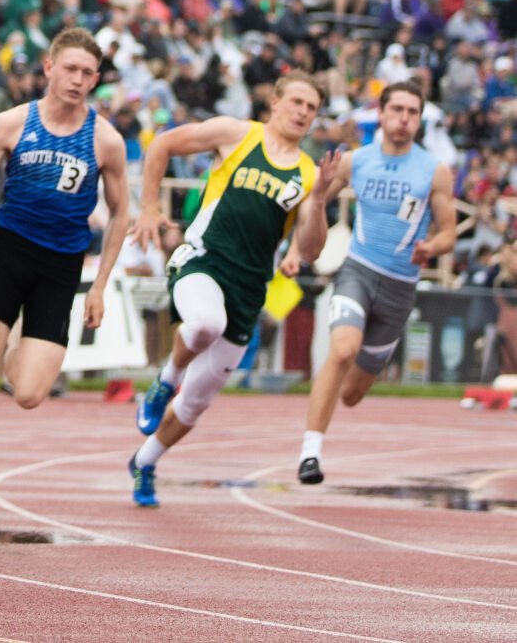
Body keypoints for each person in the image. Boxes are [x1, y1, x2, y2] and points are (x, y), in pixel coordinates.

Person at [0, 27, 129, 525]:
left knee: (28, 395)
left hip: (60, 269)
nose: (78, 80)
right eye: (70, 69)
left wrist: (101, 285)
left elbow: (121, 213)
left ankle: (18, 341)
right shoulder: (12, 124)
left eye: (89, 73)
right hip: (7, 254)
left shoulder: (105, 140)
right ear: (48, 68)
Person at [129, 73, 329, 507]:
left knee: (196, 404)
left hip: (249, 287)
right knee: (203, 323)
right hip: (202, 260)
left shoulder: (309, 174)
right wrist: (148, 208)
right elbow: (162, 145)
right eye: (296, 101)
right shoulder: (236, 134)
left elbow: (311, 249)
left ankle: (144, 462)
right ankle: (165, 381)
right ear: (274, 103)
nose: (302, 112)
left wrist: (321, 203)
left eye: (311, 108)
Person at [294, 82, 454, 485]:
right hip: (359, 272)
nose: (403, 119)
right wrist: (296, 249)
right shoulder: (354, 162)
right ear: (380, 114)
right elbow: (311, 208)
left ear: (420, 119)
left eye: (412, 112)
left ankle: (340, 397)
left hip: (400, 288)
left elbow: (449, 231)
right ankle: (310, 452)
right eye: (396, 109)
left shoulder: (433, 171)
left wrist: (431, 246)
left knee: (352, 394)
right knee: (342, 349)